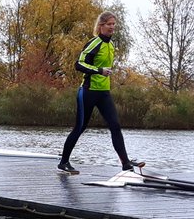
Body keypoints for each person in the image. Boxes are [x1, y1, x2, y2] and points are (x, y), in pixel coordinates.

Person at [57, 11, 142, 174]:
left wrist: (103, 74)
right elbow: (78, 64)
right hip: (88, 92)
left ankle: (125, 163)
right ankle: (64, 162)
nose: (112, 27)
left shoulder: (111, 45)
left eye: (114, 24)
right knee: (80, 127)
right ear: (101, 26)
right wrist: (98, 70)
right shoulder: (94, 43)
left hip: (104, 93)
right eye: (109, 24)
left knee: (115, 126)